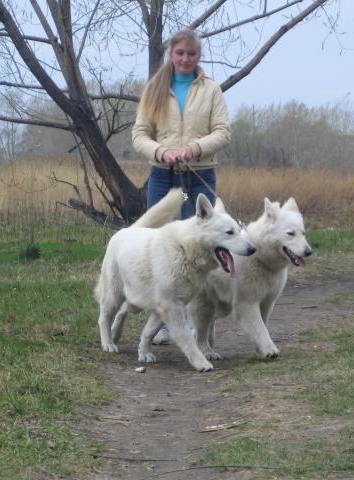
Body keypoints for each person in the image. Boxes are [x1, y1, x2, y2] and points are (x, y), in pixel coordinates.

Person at [132, 29, 232, 344]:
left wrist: (194, 148)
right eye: (179, 54)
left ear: (198, 56)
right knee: (158, 245)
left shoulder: (211, 89)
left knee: (200, 248)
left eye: (191, 53)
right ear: (171, 55)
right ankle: (162, 320)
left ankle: (196, 323)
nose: (185, 59)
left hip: (200, 175)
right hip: (163, 174)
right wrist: (163, 152)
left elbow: (223, 131)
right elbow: (139, 135)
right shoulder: (154, 89)